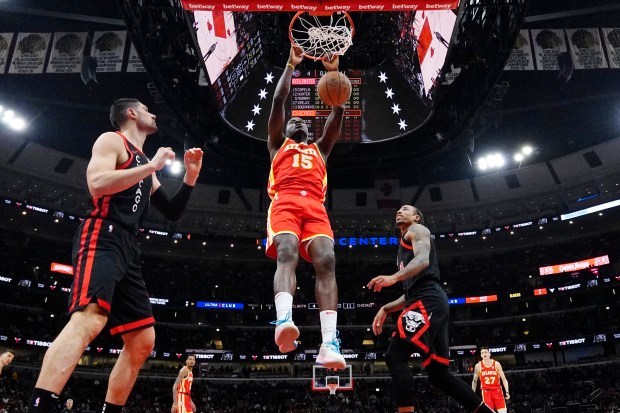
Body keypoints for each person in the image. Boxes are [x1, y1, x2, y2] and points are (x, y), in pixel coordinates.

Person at [28, 98, 204, 413]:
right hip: (103, 234)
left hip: (129, 246)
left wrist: (190, 176)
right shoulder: (113, 141)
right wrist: (151, 167)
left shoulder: (142, 161)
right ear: (131, 113)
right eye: (147, 109)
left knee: (142, 341)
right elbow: (96, 184)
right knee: (90, 318)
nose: (154, 114)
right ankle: (41, 404)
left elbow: (172, 212)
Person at [368, 205, 495, 413]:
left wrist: (393, 278)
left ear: (417, 217)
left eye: (406, 209)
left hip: (428, 299)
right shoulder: (403, 248)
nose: (399, 211)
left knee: (395, 354)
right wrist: (386, 308)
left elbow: (422, 260)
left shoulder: (417, 230)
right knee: (439, 376)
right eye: (398, 209)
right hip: (427, 299)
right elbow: (410, 293)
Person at [265, 46, 346, 369]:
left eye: (302, 121)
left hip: (315, 206)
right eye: (292, 120)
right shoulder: (277, 144)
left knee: (327, 259)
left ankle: (328, 343)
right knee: (287, 251)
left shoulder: (321, 150)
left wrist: (333, 74)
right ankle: (284, 320)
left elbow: (337, 115)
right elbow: (279, 101)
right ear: (284, 129)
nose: (296, 121)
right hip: (284, 200)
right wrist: (290, 64)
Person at [472, 347, 510, 413]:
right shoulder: (478, 366)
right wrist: (472, 393)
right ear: (481, 355)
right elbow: (474, 381)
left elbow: (504, 379)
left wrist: (507, 391)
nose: (484, 354)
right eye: (482, 353)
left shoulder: (496, 364)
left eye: (486, 352)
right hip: (486, 392)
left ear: (489, 354)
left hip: (497, 391)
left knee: (503, 411)